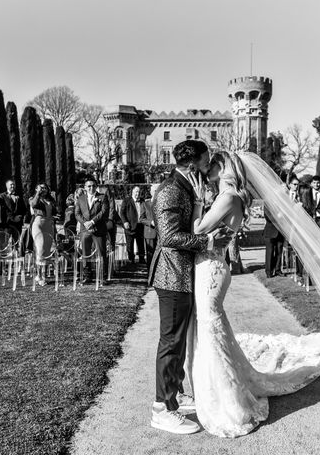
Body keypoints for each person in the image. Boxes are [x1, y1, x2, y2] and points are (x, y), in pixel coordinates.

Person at [184, 151, 320, 438]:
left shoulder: (228, 198)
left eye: (212, 165)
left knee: (211, 329)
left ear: (224, 168)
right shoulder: (229, 197)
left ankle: (229, 401)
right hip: (213, 267)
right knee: (213, 331)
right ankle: (215, 386)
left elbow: (197, 229)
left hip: (211, 271)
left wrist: (196, 201)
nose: (207, 169)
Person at [148, 140, 233, 435]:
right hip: (172, 277)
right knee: (170, 342)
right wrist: (208, 242)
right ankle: (162, 409)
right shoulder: (170, 190)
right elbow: (170, 236)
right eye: (206, 161)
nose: (209, 166)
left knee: (180, 340)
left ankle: (175, 392)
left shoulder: (187, 187)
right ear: (193, 165)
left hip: (184, 275)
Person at [75, 178, 109, 284]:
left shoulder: (102, 197)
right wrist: (85, 223)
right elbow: (77, 213)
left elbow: (104, 212)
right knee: (85, 253)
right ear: (85, 188)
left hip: (98, 230)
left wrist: (92, 222)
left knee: (101, 253)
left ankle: (102, 277)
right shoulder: (80, 199)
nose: (91, 188)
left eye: (93, 186)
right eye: (89, 186)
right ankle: (87, 276)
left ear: (96, 186)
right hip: (85, 230)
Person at [29, 183, 57, 286]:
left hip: (49, 224)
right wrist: (38, 193)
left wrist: (55, 216)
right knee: (40, 249)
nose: (43, 189)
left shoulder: (51, 199)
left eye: (45, 187)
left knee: (47, 251)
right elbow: (34, 204)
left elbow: (55, 211)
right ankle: (39, 275)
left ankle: (43, 275)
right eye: (41, 188)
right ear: (36, 189)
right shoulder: (33, 198)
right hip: (38, 224)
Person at [120, 186, 146, 264]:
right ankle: (131, 259)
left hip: (140, 225)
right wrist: (125, 222)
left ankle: (142, 258)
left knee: (141, 243)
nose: (137, 194)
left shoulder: (142, 201)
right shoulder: (126, 200)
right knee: (130, 244)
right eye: (136, 192)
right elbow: (122, 213)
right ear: (132, 192)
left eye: (139, 192)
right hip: (130, 226)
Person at [141, 183, 159, 268]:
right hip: (149, 233)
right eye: (155, 191)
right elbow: (141, 219)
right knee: (150, 255)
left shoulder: (162, 203)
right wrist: (150, 222)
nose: (156, 192)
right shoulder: (145, 204)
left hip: (160, 234)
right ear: (151, 192)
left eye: (157, 190)